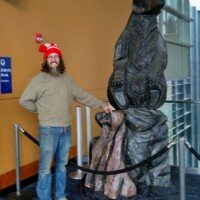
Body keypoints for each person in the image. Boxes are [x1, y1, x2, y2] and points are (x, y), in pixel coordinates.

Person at [19, 42, 112, 200]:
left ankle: (61, 195)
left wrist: (102, 105)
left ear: (60, 59)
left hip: (65, 130)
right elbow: (24, 100)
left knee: (62, 166)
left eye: (56, 56)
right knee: (46, 168)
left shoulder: (67, 79)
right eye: (50, 57)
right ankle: (44, 197)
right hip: (48, 129)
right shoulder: (39, 79)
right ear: (46, 60)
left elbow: (82, 95)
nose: (53, 59)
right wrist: (42, 111)